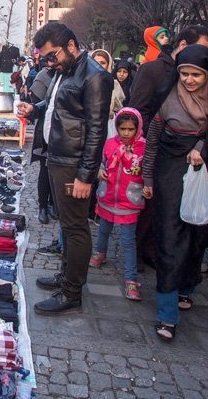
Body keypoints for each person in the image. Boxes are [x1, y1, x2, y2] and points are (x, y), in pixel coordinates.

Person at [142, 45, 208, 342]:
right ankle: (167, 312)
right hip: (170, 170)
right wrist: (148, 176)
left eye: (195, 75)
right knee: (171, 237)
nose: (188, 80)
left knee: (198, 230)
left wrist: (202, 149)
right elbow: (152, 139)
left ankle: (188, 286)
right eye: (183, 73)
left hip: (206, 170)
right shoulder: (168, 96)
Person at [16, 22, 112, 315]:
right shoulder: (65, 70)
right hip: (56, 157)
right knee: (66, 226)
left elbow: (97, 131)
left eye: (52, 55)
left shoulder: (96, 76)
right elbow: (59, 103)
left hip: (73, 163)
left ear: (71, 45)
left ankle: (71, 293)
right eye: (45, 58)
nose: (49, 62)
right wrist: (36, 108)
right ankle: (66, 276)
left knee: (75, 227)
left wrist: (85, 175)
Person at [129, 24, 208, 271]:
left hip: (192, 159)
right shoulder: (153, 69)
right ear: (184, 46)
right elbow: (138, 109)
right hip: (157, 149)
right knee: (152, 206)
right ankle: (144, 251)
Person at [90, 107, 147, 301]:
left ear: (137, 129)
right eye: (122, 129)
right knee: (104, 229)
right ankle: (100, 252)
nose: (126, 133)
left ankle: (131, 279)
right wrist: (99, 171)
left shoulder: (143, 147)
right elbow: (101, 161)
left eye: (130, 129)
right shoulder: (109, 144)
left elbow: (147, 170)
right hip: (108, 196)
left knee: (128, 241)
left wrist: (148, 185)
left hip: (129, 200)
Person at [28, 61, 57, 226]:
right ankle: (43, 206)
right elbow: (38, 105)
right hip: (46, 127)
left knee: (58, 170)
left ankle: (54, 203)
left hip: (64, 130)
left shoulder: (69, 75)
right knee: (45, 168)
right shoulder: (43, 76)